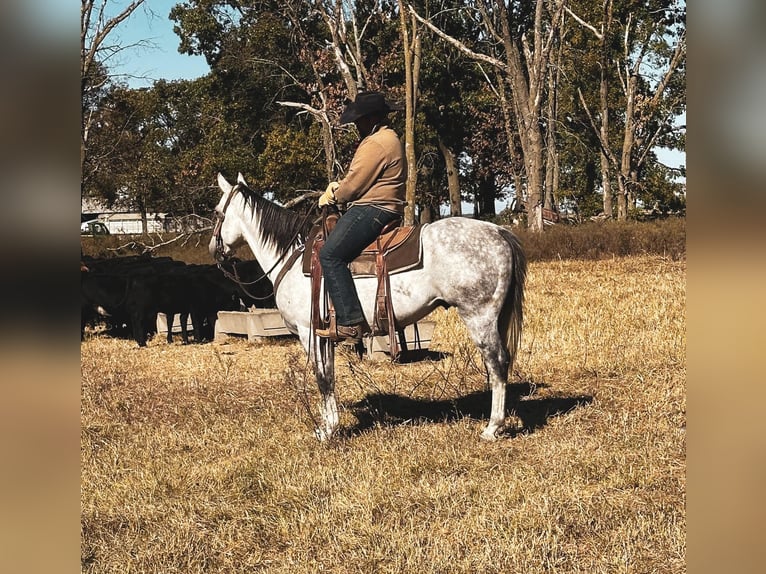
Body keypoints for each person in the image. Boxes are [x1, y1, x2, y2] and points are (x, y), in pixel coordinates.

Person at [315, 91, 407, 343]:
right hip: (386, 206)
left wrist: (334, 194)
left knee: (330, 254)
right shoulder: (390, 138)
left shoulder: (376, 143)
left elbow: (354, 185)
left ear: (372, 119)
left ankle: (350, 322)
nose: (356, 125)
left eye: (359, 120)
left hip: (374, 208)